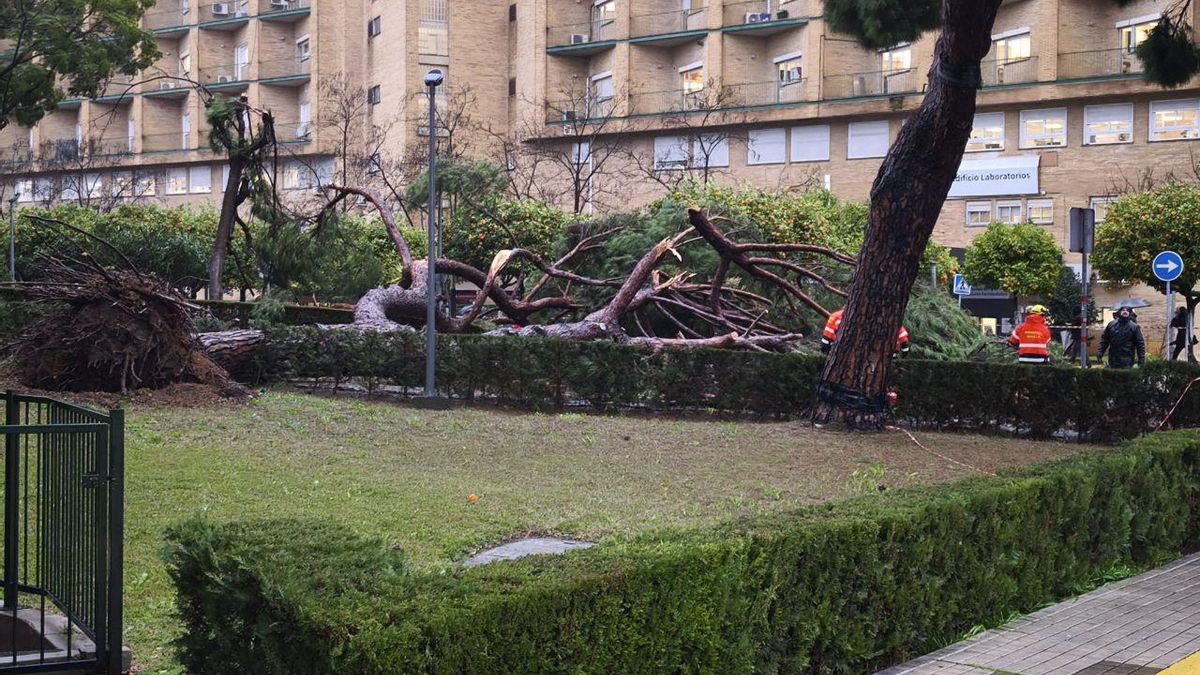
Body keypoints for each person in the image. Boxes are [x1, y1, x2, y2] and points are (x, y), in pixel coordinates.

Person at [820, 308, 910, 357]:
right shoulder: (888, 320)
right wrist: (904, 351)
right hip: (883, 356)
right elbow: (903, 337)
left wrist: (826, 350)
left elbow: (827, 336)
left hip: (840, 353)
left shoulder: (836, 316)